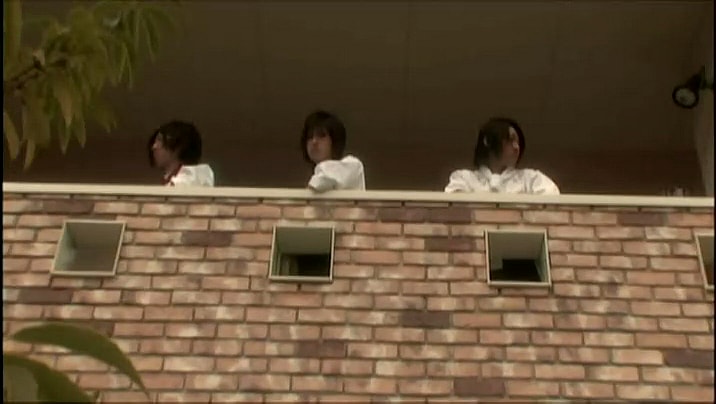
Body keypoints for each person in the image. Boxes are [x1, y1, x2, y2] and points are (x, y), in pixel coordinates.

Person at [445, 117, 559, 194]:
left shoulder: (531, 179)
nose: (517, 147)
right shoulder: (464, 178)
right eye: (511, 140)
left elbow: (553, 204)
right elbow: (454, 207)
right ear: (488, 141)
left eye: (518, 143)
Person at [300, 110, 366, 192]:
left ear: (335, 141)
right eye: (309, 137)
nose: (314, 141)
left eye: (321, 135)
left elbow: (321, 181)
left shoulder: (353, 166)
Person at [148, 120, 215, 187]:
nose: (154, 147)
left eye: (160, 140)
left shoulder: (197, 176)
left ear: (179, 146)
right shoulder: (170, 180)